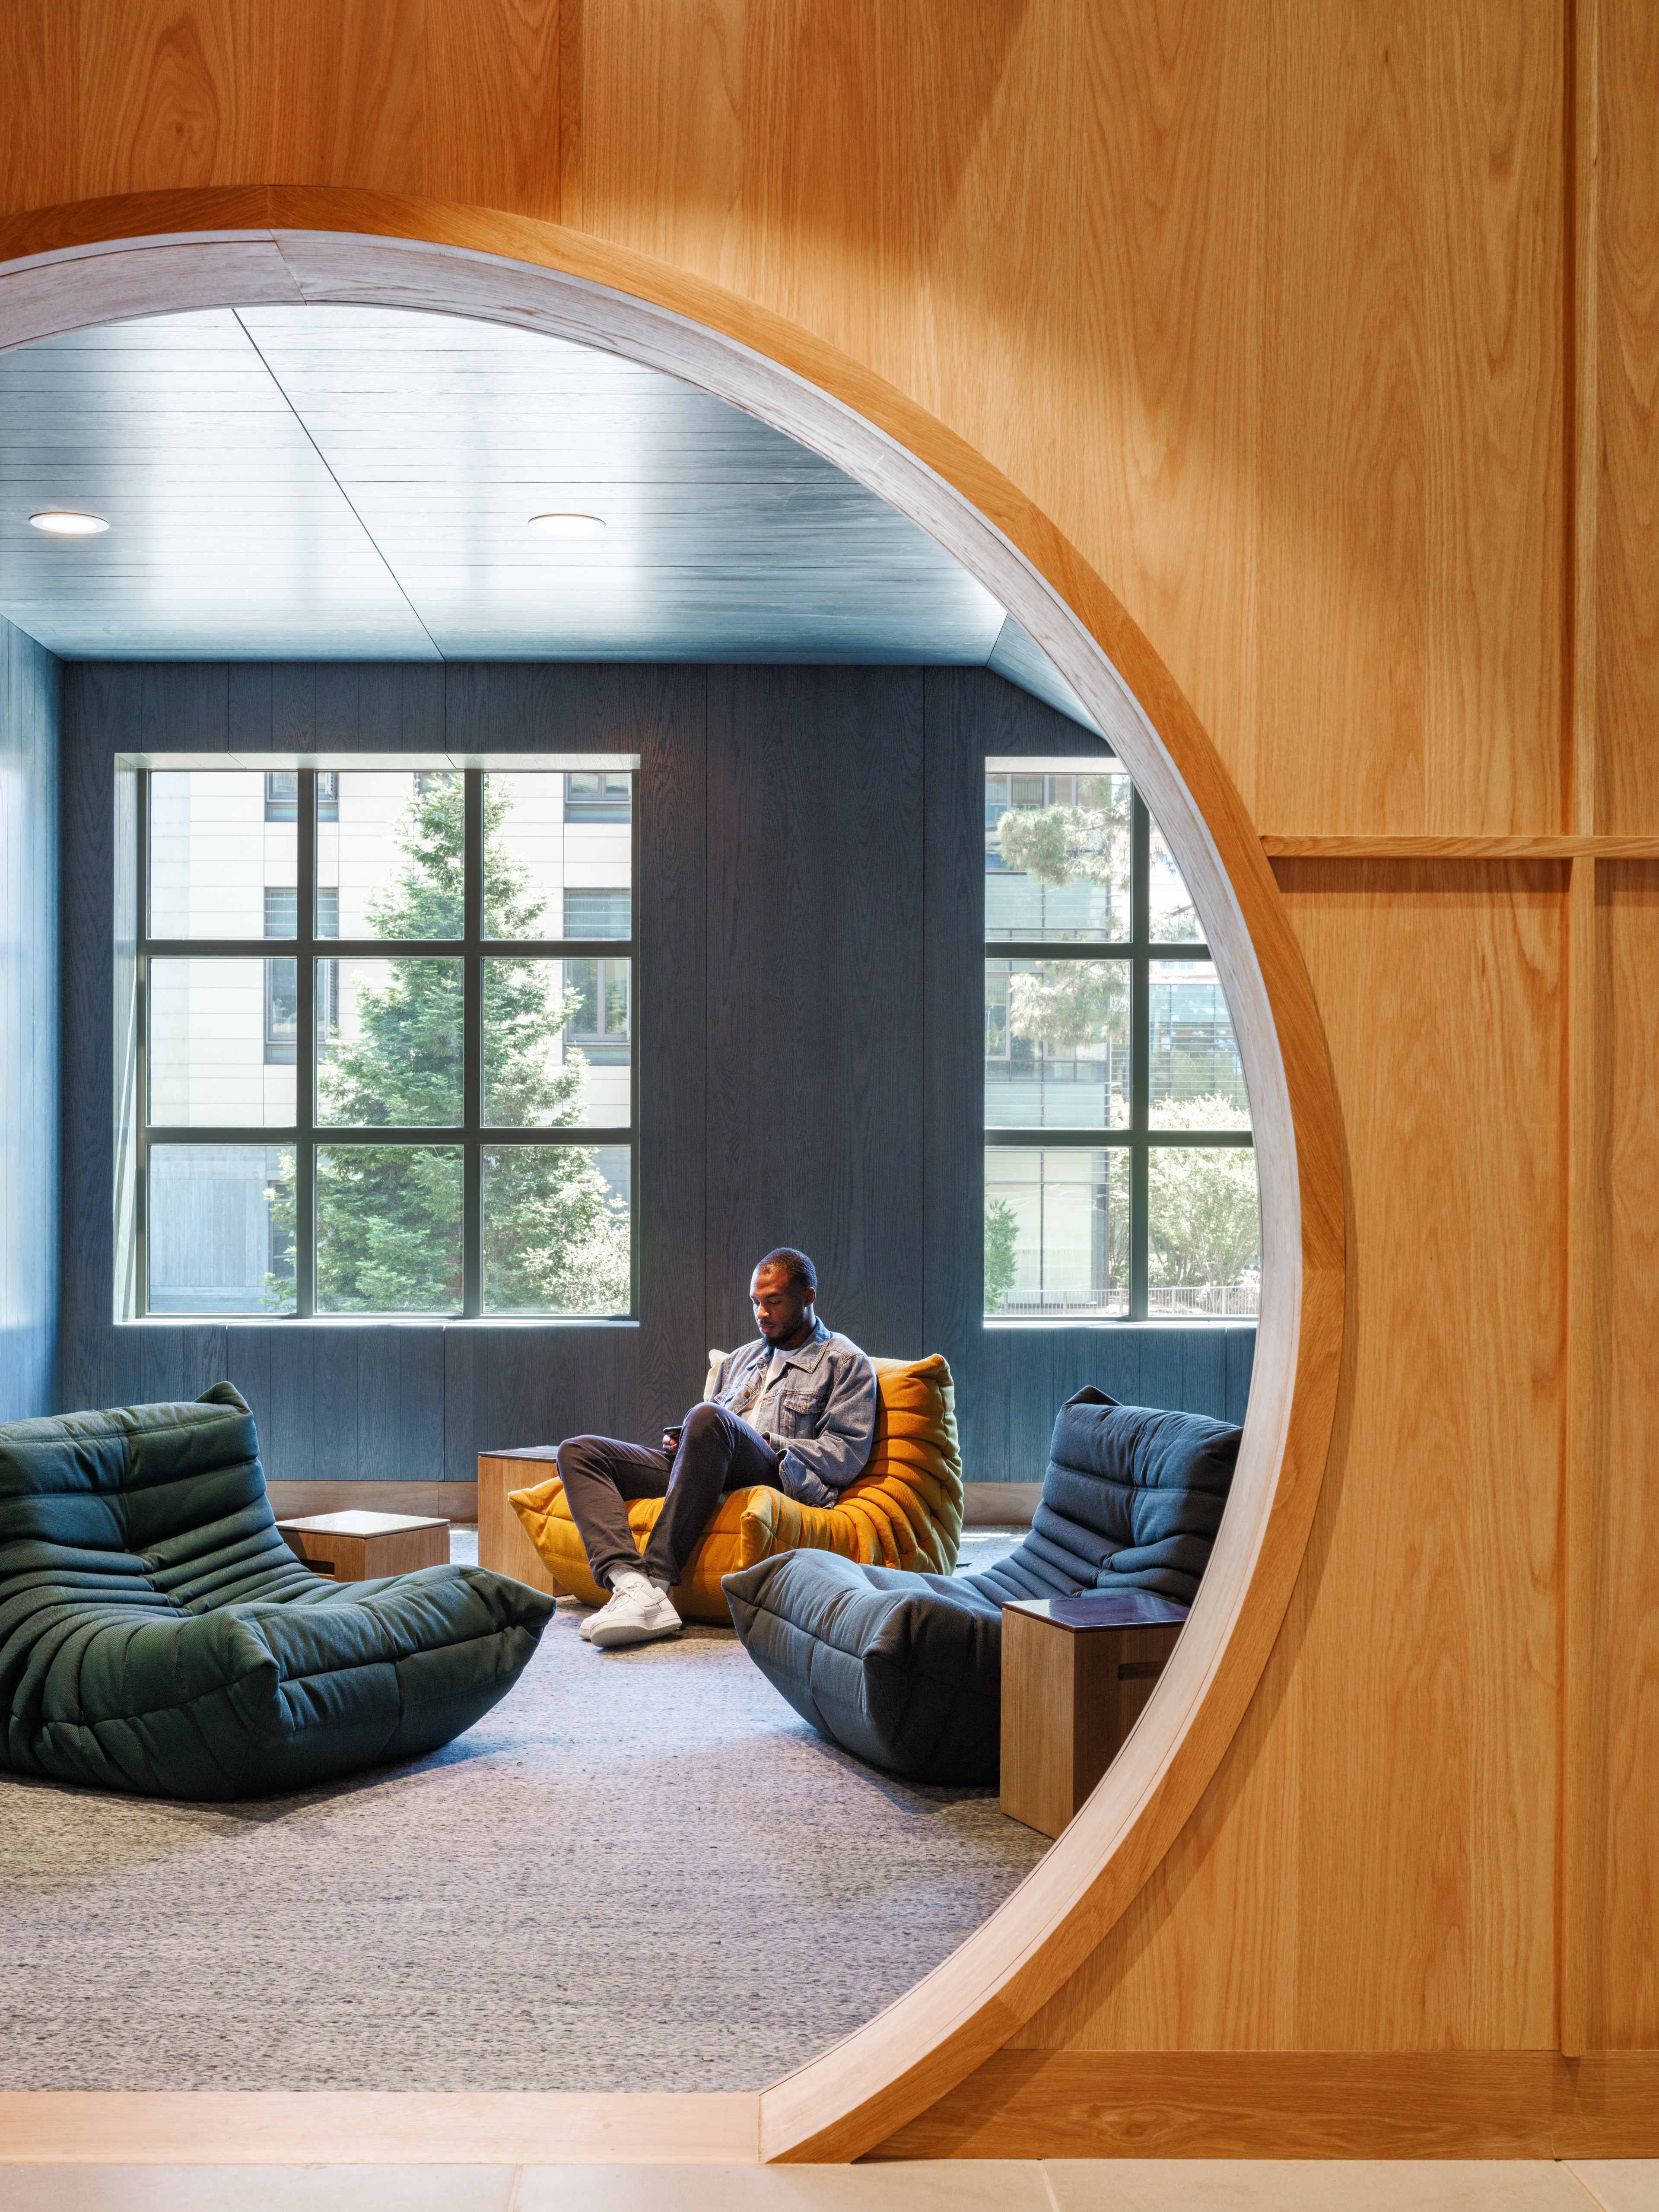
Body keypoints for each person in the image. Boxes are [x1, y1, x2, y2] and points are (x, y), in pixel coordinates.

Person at [555, 1247, 877, 1649]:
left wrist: (763, 1441)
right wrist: (686, 1437)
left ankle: (657, 1578)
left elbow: (844, 1454)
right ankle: (632, 1584)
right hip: (713, 1463)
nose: (762, 1313)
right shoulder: (739, 1360)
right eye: (756, 1302)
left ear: (808, 1297)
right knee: (580, 1451)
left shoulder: (846, 1362)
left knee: (708, 1417)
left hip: (778, 1472)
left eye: (774, 1302)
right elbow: (710, 1429)